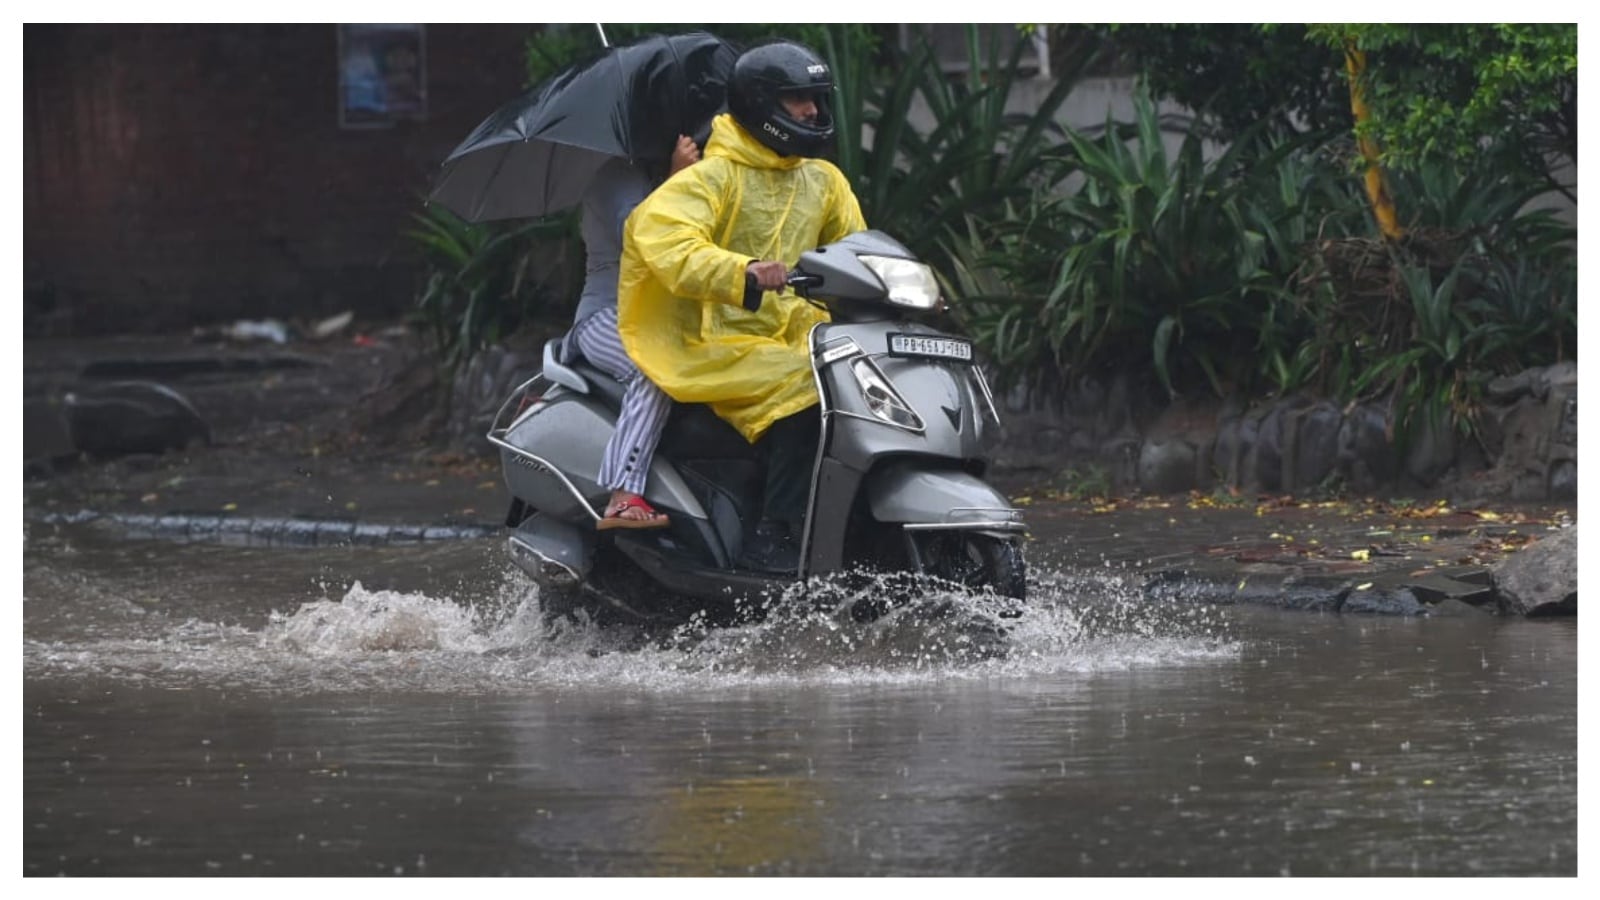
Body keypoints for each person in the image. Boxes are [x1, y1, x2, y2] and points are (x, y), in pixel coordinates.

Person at [616, 40, 868, 572]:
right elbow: (663, 236)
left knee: (858, 379)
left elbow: (857, 250)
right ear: (760, 105)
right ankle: (773, 538)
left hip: (798, 334)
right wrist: (740, 271)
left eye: (816, 99)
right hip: (712, 336)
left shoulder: (824, 180)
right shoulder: (710, 177)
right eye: (798, 99)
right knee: (809, 389)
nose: (813, 112)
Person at [560, 134, 701, 530]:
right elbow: (643, 239)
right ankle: (622, 494)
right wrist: (677, 177)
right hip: (607, 317)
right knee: (654, 370)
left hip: (656, 321)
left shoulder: (647, 174)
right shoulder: (614, 176)